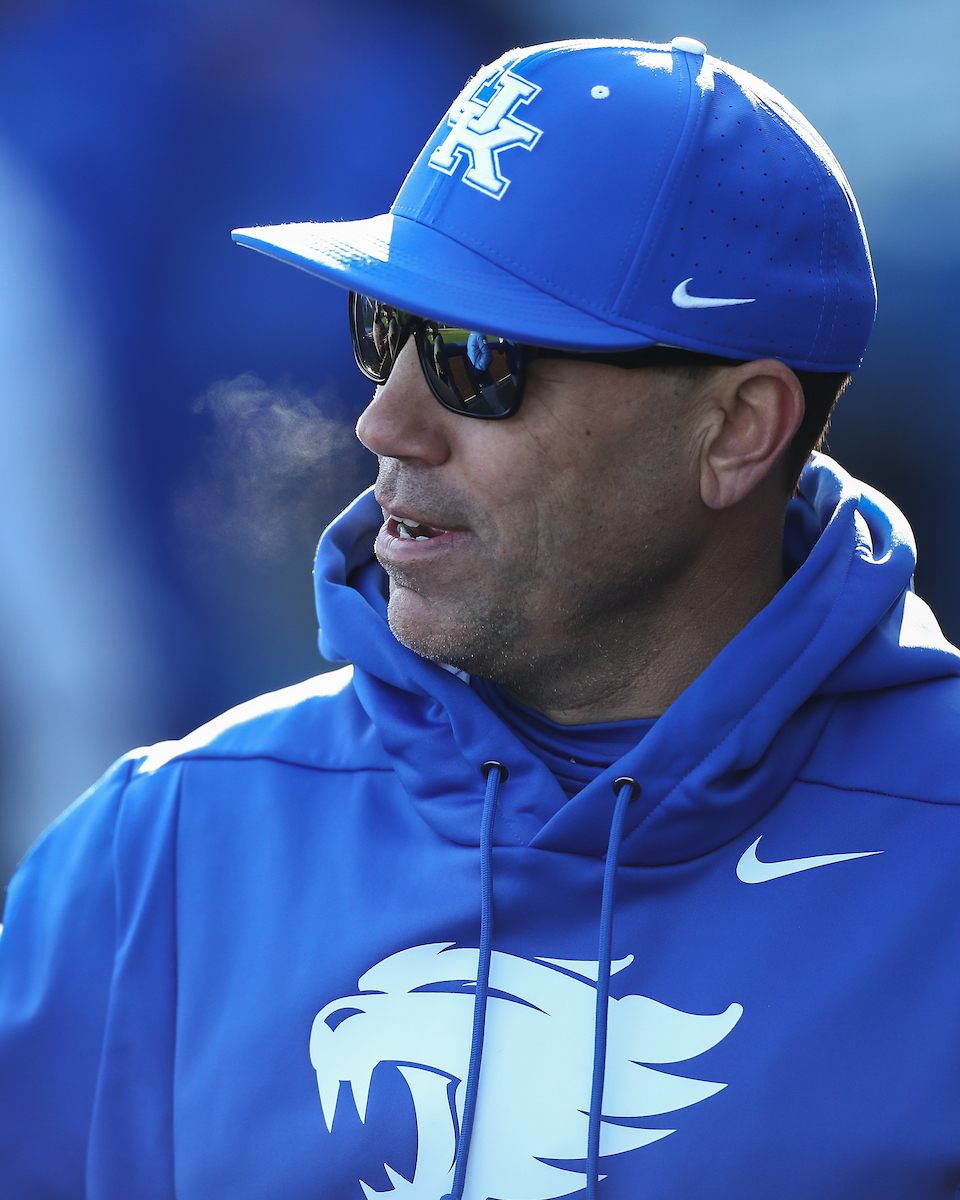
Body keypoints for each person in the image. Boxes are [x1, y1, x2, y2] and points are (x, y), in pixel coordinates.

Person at [2, 35, 959, 1200]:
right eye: (380, 331)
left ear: (738, 430)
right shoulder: (153, 855)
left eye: (476, 359)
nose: (387, 423)